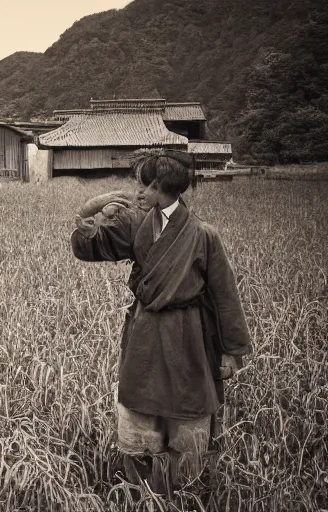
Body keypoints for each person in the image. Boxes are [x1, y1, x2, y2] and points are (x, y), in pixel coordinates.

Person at [70, 150, 252, 496]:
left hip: (188, 335)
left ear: (164, 186)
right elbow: (91, 246)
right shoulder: (136, 223)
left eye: (144, 184)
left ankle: (185, 490)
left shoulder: (203, 234)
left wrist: (230, 352)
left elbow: (225, 295)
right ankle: (140, 491)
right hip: (145, 331)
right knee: (139, 401)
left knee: (187, 404)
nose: (136, 191)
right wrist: (89, 219)